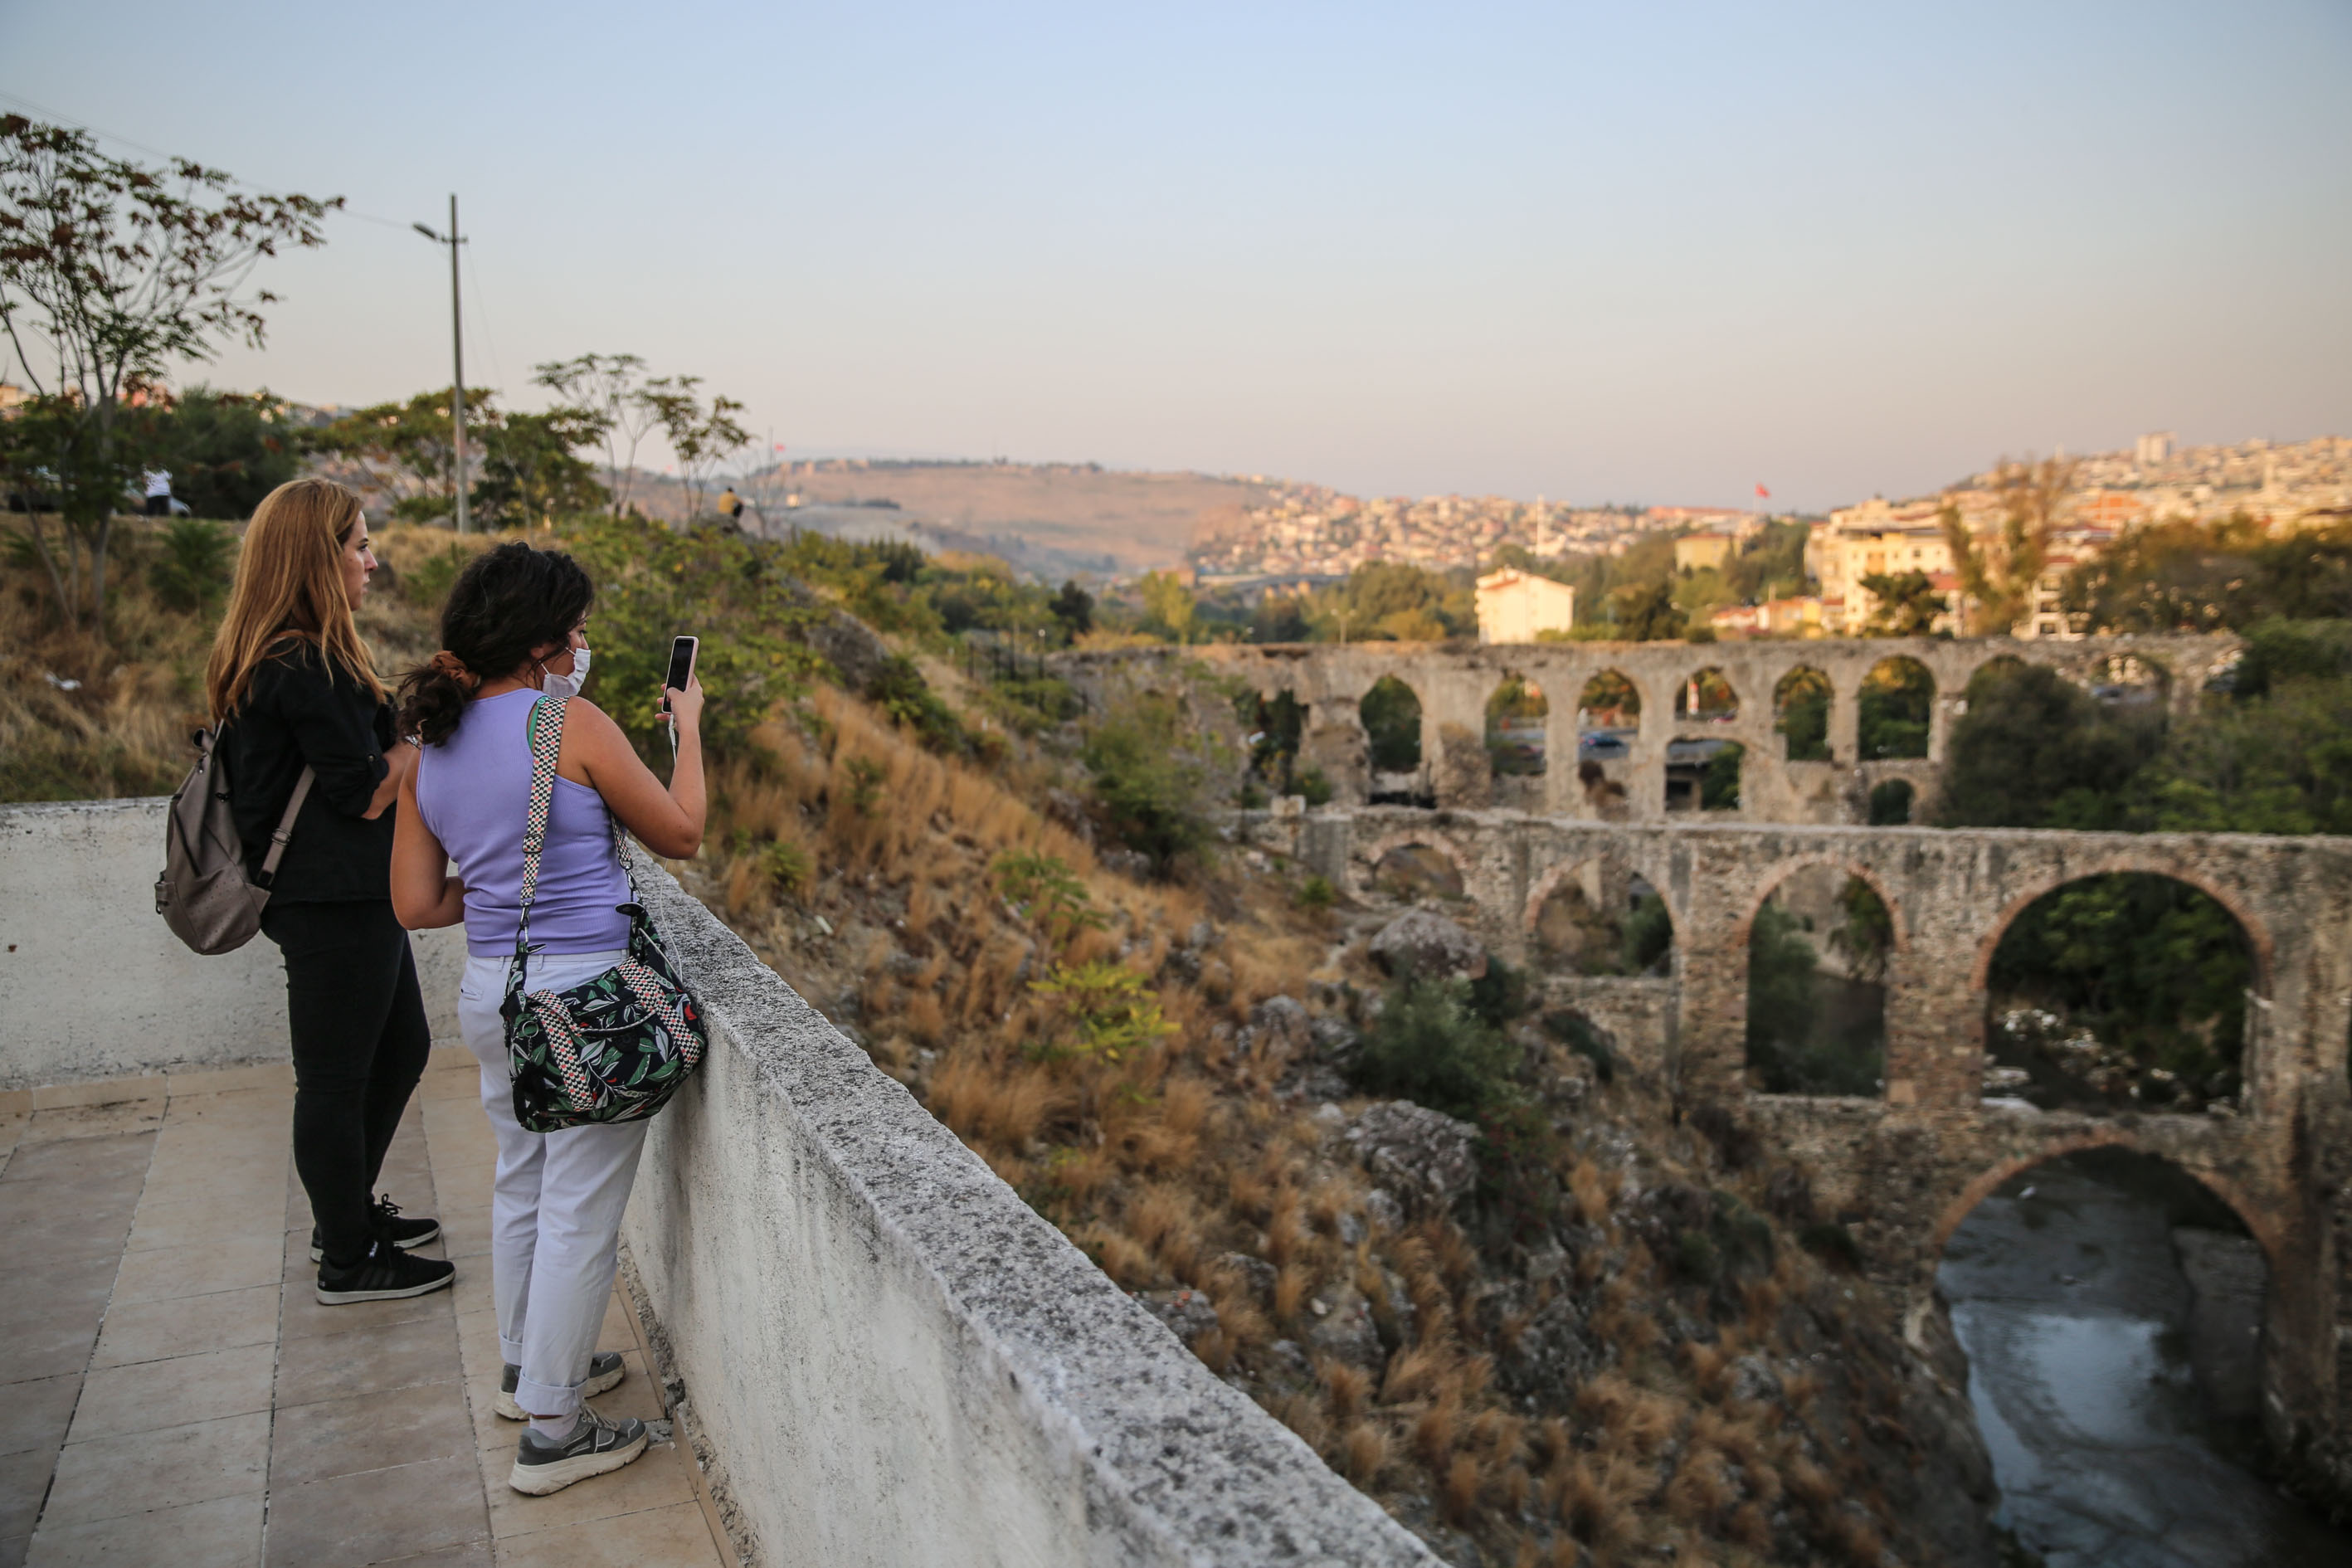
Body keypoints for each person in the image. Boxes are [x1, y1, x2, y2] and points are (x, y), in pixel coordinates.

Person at [389, 543, 707, 1496]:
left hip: (494, 990)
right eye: (572, 630)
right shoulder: (570, 725)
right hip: (588, 997)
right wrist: (688, 730)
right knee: (580, 1211)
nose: (582, 644)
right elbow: (682, 833)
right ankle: (556, 1432)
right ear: (537, 644)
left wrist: (500, 896)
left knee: (522, 1180)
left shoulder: (426, 746)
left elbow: (415, 904)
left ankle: (527, 1371)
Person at [205, 477, 450, 1305]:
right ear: (316, 556)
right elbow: (364, 790)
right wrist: (418, 739)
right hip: (330, 895)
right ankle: (347, 1257)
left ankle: (345, 1216)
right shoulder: (299, 661)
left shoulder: (294, 652)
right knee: (338, 1077)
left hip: (348, 892)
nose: (371, 561)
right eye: (357, 545)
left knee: (399, 1048)